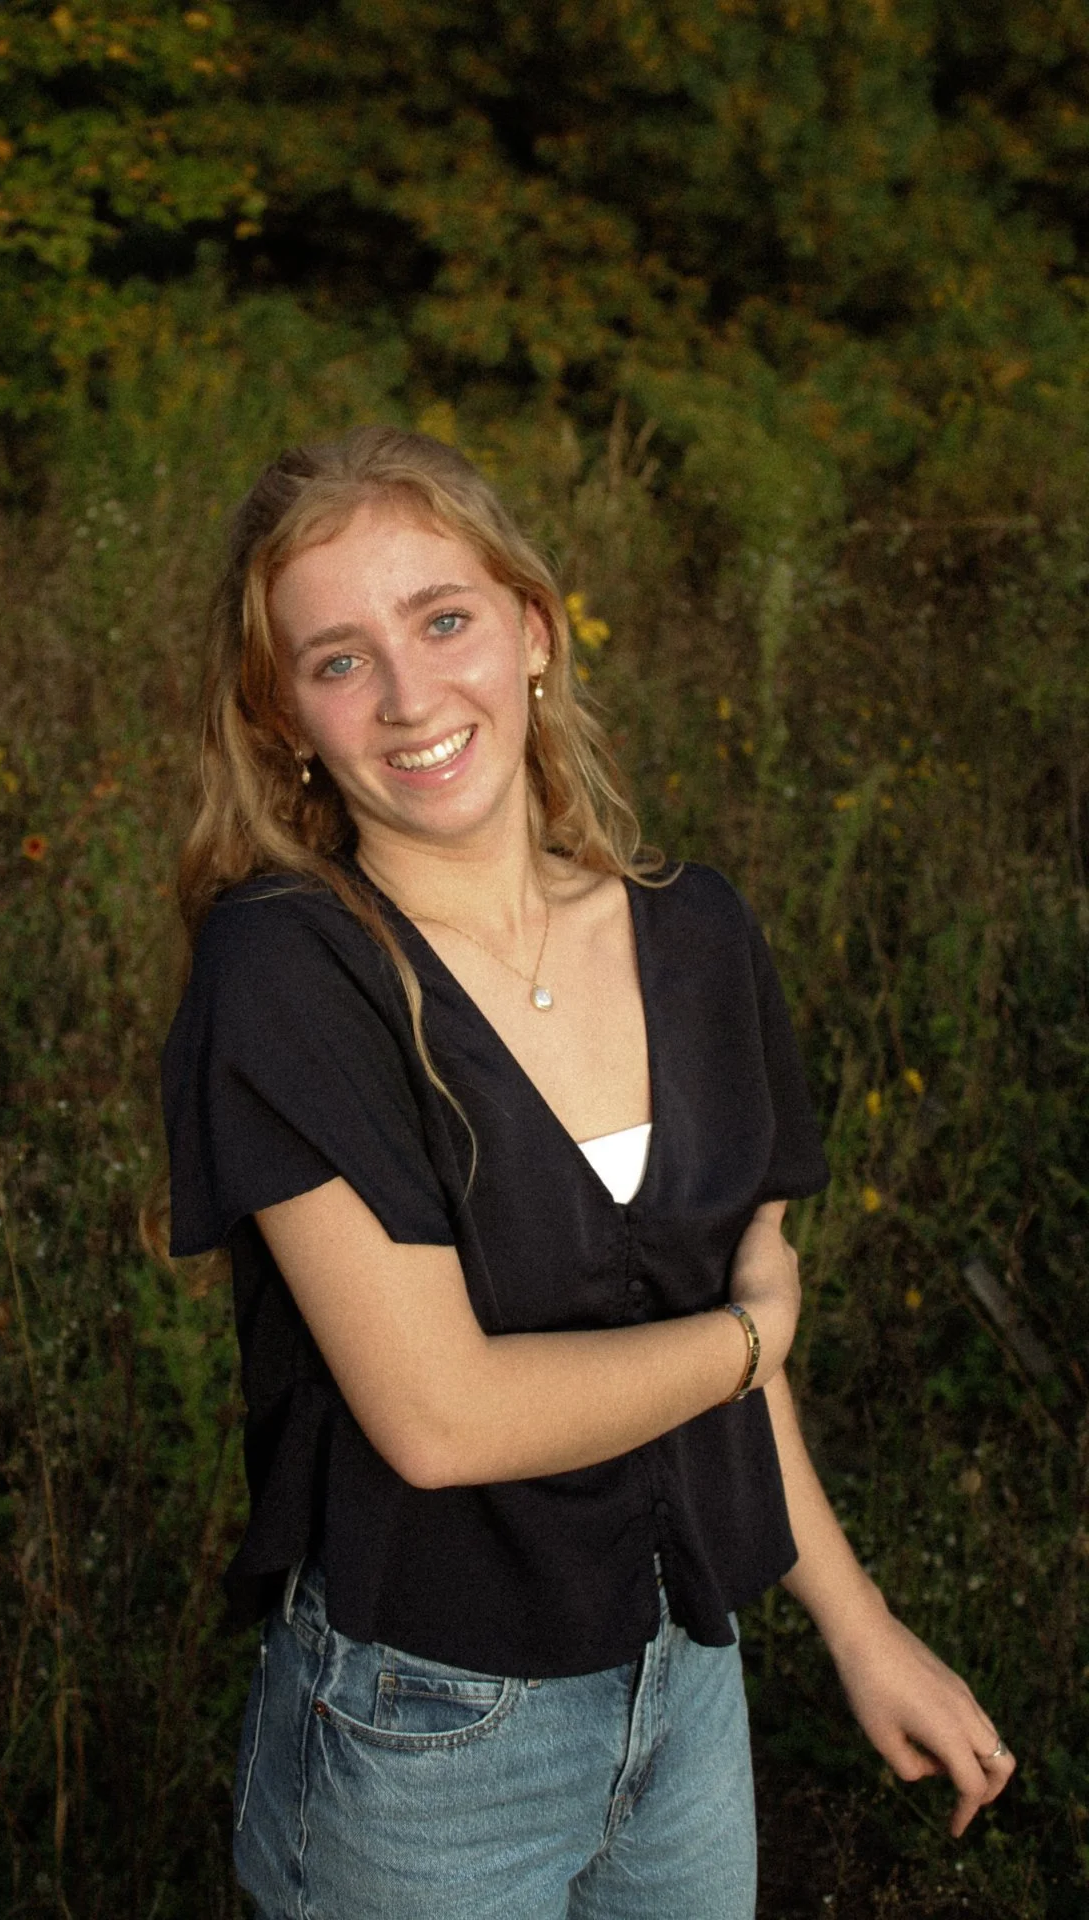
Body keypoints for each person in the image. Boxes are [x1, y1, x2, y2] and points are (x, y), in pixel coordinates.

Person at [158, 426, 1014, 1918]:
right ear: (281, 712)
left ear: (534, 632)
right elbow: (443, 1418)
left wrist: (860, 1624)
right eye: (341, 659)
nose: (414, 696)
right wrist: (752, 1338)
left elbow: (726, 1356)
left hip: (688, 1692)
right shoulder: (289, 973)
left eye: (444, 620)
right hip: (423, 1740)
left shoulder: (697, 937)